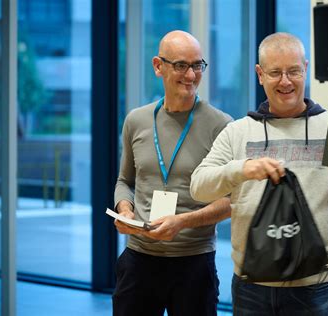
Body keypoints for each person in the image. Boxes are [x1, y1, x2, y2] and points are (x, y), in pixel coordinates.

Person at [190, 32, 328, 315]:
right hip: (252, 287)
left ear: (306, 69)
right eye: (275, 72)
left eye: (293, 71)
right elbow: (198, 187)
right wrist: (242, 169)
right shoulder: (238, 132)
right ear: (260, 74)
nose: (286, 81)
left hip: (318, 287)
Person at [112, 30, 232, 316]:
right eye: (180, 65)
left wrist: (183, 221)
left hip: (194, 263)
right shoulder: (136, 120)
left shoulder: (222, 126)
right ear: (158, 66)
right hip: (139, 260)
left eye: (197, 65)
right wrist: (124, 209)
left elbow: (231, 201)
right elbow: (124, 181)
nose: (190, 75)